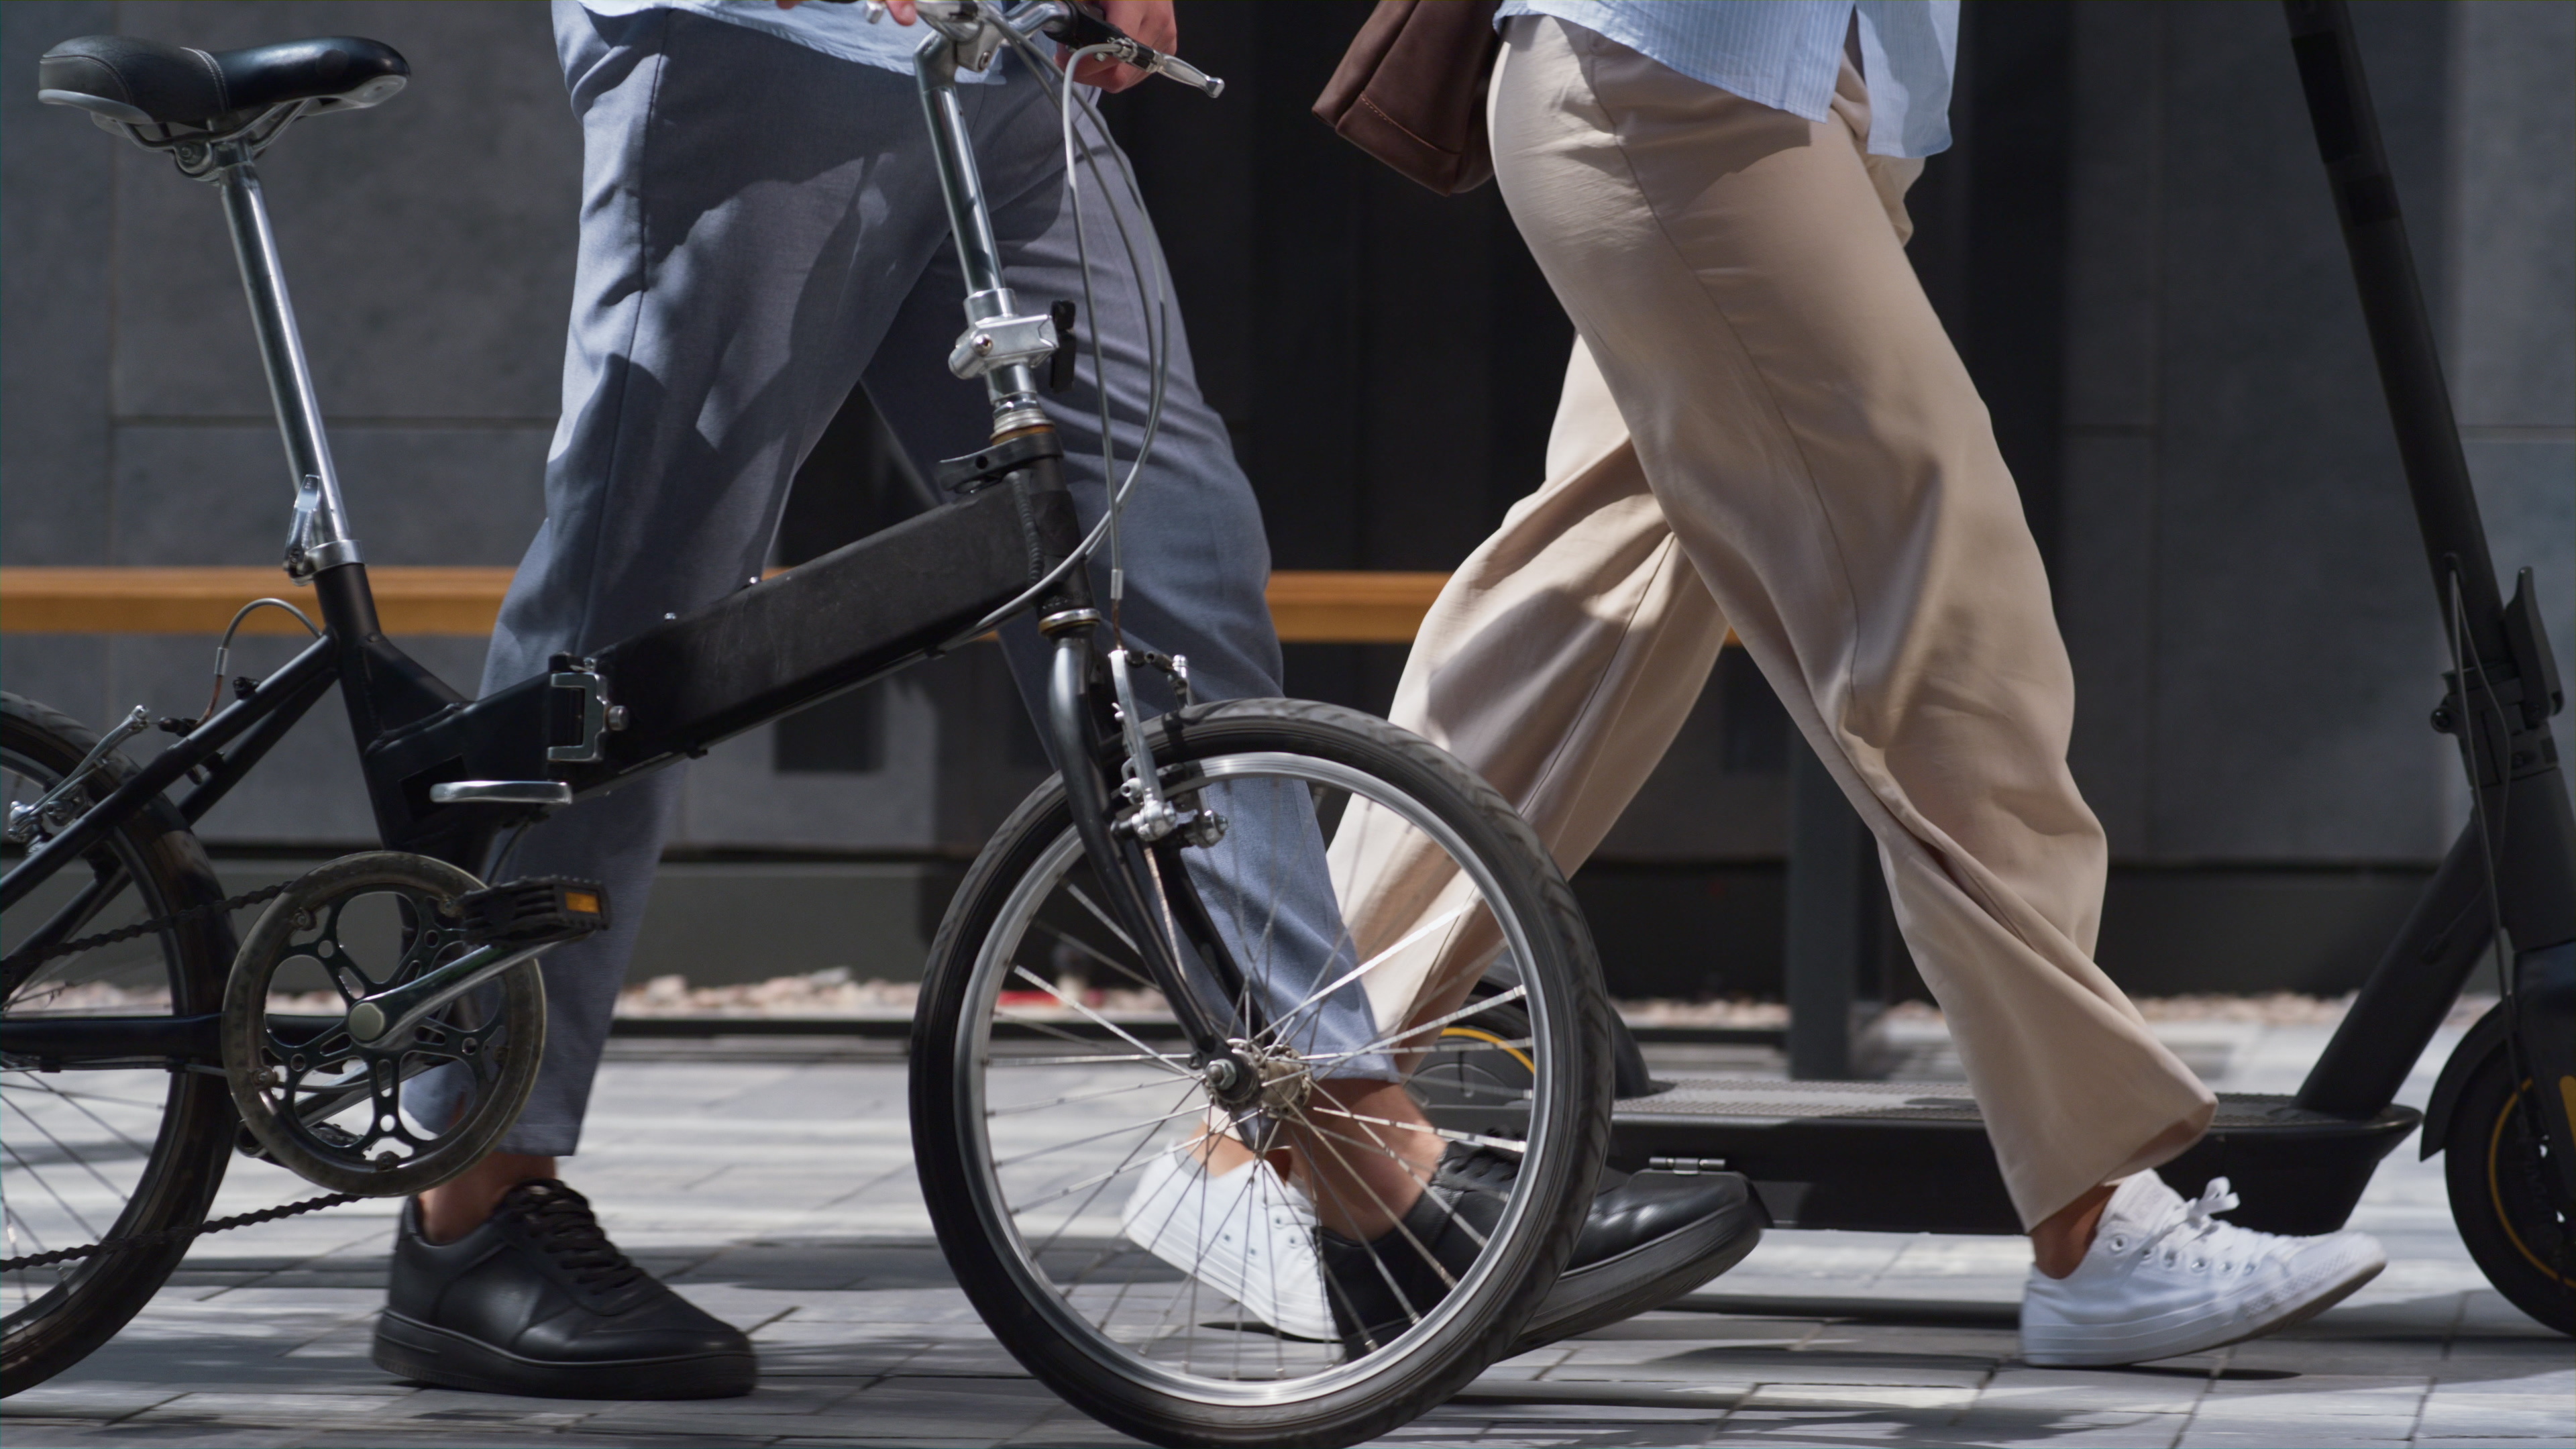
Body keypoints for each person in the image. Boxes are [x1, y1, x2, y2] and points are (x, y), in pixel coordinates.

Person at [377, 0, 1756, 1401]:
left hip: (995, 62)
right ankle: (472, 1200)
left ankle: (1365, 1175)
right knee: (634, 636)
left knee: (1166, 561)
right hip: (763, 43)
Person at [1324, 0, 2389, 1369]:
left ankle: (1281, 1100)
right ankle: (2096, 1214)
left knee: (1587, 610)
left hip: (1752, 95)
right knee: (1945, 613)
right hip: (1688, 81)